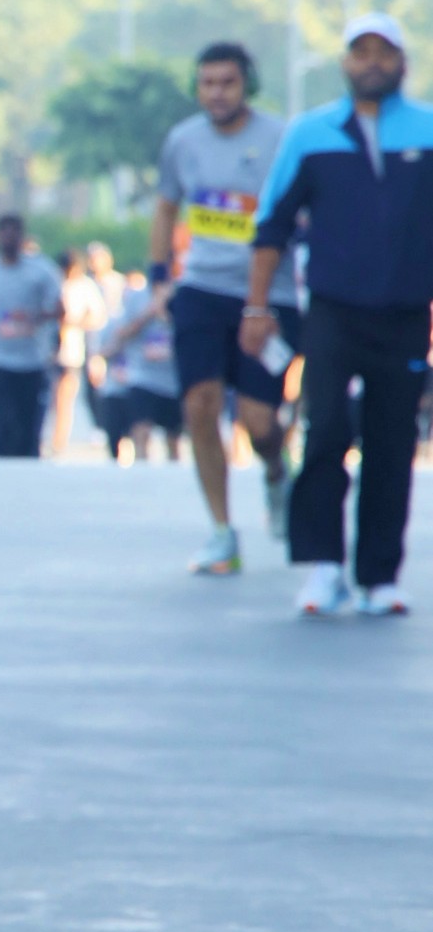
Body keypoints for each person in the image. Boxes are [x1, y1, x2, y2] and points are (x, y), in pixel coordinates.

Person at [244, 12, 433, 616]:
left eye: (384, 52)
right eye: (361, 52)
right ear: (346, 62)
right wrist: (256, 306)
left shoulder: (427, 129)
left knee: (392, 442)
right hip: (332, 312)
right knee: (324, 430)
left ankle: (380, 576)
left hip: (406, 314)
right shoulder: (311, 133)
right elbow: (270, 225)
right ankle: (323, 567)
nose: (372, 63)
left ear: (401, 62)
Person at [149, 41, 298, 575]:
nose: (217, 93)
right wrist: (159, 278)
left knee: (258, 420)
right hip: (201, 288)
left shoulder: (281, 139)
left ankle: (277, 471)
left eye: (228, 82)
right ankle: (221, 531)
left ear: (247, 86)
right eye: (207, 83)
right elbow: (166, 207)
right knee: (199, 404)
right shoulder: (182, 141)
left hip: (269, 295)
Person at [0, 215, 62, 454]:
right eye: (4, 233)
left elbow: (59, 308)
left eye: (14, 233)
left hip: (31, 359)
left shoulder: (40, 270)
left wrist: (34, 318)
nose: (9, 238)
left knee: (28, 429)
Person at [95, 274, 183, 464]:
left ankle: (173, 476)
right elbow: (122, 333)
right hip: (143, 378)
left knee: (173, 439)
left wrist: (168, 310)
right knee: (141, 431)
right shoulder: (138, 299)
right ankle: (141, 472)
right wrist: (150, 312)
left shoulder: (182, 294)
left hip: (173, 382)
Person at [50, 248, 107, 455]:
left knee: (64, 397)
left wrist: (74, 322)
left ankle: (59, 441)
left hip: (71, 350)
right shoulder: (53, 281)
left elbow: (98, 317)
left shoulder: (84, 286)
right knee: (50, 398)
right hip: (47, 350)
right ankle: (51, 437)